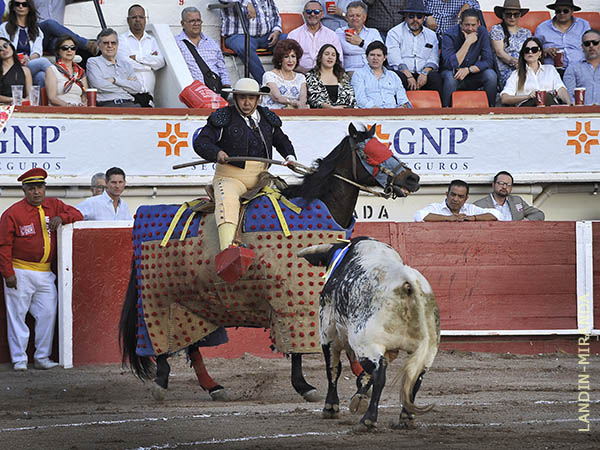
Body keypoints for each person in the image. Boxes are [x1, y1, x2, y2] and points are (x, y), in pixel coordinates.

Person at [193, 78, 296, 277]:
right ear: (235, 98)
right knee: (228, 200)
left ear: (258, 100)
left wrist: (289, 156)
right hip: (231, 177)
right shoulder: (222, 117)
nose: (247, 103)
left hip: (261, 178)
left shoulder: (267, 118)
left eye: (251, 98)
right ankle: (227, 251)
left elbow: (281, 140)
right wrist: (217, 153)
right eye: (242, 98)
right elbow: (201, 142)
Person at [0, 168, 83, 371]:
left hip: (45, 272)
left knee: (47, 313)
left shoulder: (54, 205)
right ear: (24, 190)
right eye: (31, 189)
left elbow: (78, 213)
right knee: (17, 316)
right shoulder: (12, 213)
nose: (36, 192)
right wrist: (8, 273)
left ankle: (42, 357)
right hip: (20, 270)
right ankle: (20, 359)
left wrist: (62, 217)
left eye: (40, 187)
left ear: (45, 188)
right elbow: (3, 245)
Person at [440, 8, 497, 107]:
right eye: (467, 25)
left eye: (473, 25)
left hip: (472, 72)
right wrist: (467, 43)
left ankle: (491, 109)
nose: (470, 28)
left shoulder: (482, 32)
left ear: (478, 24)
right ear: (460, 23)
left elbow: (488, 61)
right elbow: (451, 64)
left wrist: (468, 70)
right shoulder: (449, 35)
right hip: (453, 73)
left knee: (490, 75)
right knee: (450, 78)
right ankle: (446, 109)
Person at [219, 0, 286, 83]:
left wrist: (276, 30)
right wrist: (246, 3)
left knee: (288, 42)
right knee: (244, 46)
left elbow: (275, 16)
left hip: (266, 36)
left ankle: (285, 80)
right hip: (239, 36)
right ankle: (266, 84)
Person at [386, 0, 442, 95]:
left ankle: (437, 108)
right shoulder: (394, 33)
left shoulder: (431, 35)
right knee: (397, 77)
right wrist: (409, 76)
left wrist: (424, 73)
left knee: (435, 78)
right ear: (406, 17)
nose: (415, 20)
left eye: (419, 17)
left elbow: (433, 59)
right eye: (411, 16)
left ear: (424, 18)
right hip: (403, 72)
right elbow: (394, 59)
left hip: (423, 72)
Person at [500, 37, 570, 106]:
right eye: (527, 50)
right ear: (523, 54)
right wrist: (528, 96)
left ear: (540, 53)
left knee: (547, 97)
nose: (530, 52)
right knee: (545, 97)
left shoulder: (550, 69)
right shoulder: (516, 74)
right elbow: (505, 98)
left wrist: (569, 104)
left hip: (549, 107)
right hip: (527, 109)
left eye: (534, 49)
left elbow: (561, 89)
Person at [118, 4, 165, 105]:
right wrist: (149, 66)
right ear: (128, 20)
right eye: (134, 17)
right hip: (130, 97)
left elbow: (161, 62)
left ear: (145, 20)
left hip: (149, 98)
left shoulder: (151, 40)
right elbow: (125, 63)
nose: (138, 20)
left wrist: (137, 58)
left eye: (141, 17)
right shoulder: (122, 40)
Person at [175, 7, 230, 91]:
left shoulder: (211, 43)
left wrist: (226, 87)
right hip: (192, 93)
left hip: (214, 92)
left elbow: (221, 68)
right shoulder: (176, 43)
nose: (196, 24)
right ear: (183, 23)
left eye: (198, 20)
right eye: (192, 21)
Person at [86, 28, 143, 108]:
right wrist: (126, 87)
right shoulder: (93, 62)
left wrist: (115, 80)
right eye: (106, 43)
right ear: (99, 45)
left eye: (113, 43)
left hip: (129, 105)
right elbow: (98, 85)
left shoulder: (126, 65)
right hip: (107, 105)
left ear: (117, 44)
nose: (110, 46)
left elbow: (137, 88)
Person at [0, 0, 51, 87]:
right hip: (11, 65)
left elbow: (37, 51)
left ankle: (37, 100)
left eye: (24, 4)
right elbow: (2, 48)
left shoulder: (36, 30)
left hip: (29, 64)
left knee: (41, 76)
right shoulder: (4, 27)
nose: (21, 6)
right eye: (17, 4)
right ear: (13, 7)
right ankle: (62, 80)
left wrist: (28, 58)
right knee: (44, 61)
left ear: (29, 8)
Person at [534, 0, 590, 72]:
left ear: (572, 11)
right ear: (554, 11)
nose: (562, 13)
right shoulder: (542, 28)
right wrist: (544, 50)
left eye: (565, 11)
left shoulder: (583, 25)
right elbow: (533, 49)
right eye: (558, 11)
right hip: (552, 71)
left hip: (580, 68)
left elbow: (592, 45)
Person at [287, 1, 344, 73]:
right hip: (300, 74)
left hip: (325, 75)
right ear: (304, 14)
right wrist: (306, 72)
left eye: (316, 12)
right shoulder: (293, 35)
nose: (312, 14)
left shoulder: (332, 35)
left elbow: (339, 60)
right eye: (308, 11)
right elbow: (287, 60)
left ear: (322, 14)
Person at [351, 40, 411, 108]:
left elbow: (403, 99)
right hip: (370, 114)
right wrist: (378, 111)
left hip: (393, 113)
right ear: (366, 57)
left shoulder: (393, 75)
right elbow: (360, 100)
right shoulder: (359, 74)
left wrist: (402, 107)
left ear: (384, 57)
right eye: (372, 55)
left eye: (379, 55)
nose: (375, 58)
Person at [489, 0, 531, 91]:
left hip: (525, 66)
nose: (512, 17)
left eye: (516, 14)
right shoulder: (497, 29)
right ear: (503, 15)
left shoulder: (526, 32)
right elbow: (499, 53)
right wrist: (517, 63)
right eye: (508, 14)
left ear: (520, 16)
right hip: (505, 69)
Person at [414, 179, 499, 222]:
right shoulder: (436, 208)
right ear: (447, 194)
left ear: (466, 199)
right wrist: (448, 218)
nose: (455, 199)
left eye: (460, 196)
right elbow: (418, 216)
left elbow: (498, 214)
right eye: (453, 195)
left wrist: (473, 217)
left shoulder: (471, 209)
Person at [33, 0, 98, 55]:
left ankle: (63, 69)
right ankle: (87, 44)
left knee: (62, 45)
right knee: (49, 23)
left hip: (55, 36)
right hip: (37, 36)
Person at [473, 171, 545, 221]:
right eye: (501, 183)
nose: (504, 187)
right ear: (493, 184)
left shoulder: (517, 201)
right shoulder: (480, 205)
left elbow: (539, 214)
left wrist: (526, 222)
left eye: (508, 185)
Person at [335, 1, 383, 73]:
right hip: (350, 71)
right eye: (351, 16)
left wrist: (361, 42)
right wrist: (369, 49)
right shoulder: (339, 32)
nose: (354, 18)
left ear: (364, 17)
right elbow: (347, 50)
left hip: (372, 70)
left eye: (358, 15)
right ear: (347, 17)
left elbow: (381, 51)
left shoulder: (373, 32)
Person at [306, 43, 356, 108]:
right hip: (321, 115)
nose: (330, 57)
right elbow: (314, 99)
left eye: (333, 55)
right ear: (320, 57)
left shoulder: (343, 76)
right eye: (327, 54)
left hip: (344, 114)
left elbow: (351, 98)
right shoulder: (311, 75)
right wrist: (331, 108)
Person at [262, 39, 308, 109]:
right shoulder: (269, 75)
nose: (290, 60)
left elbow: (303, 100)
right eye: (286, 56)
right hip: (272, 114)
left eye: (293, 56)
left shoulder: (301, 77)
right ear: (280, 59)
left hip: (294, 116)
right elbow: (277, 97)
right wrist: (294, 102)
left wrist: (300, 104)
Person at [45, 35, 88, 106]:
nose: (69, 50)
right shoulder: (52, 70)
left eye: (73, 48)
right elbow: (52, 98)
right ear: (58, 51)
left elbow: (85, 97)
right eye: (65, 48)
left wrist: (82, 106)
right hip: (59, 110)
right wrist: (67, 106)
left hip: (78, 110)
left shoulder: (80, 72)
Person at [563, 29, 600, 105]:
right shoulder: (573, 68)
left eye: (595, 43)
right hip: (582, 114)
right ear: (582, 47)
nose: (591, 46)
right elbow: (569, 95)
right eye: (587, 43)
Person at [0, 36, 32, 104]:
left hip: (21, 107)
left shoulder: (25, 70)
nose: (4, 50)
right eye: (0, 49)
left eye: (5, 45)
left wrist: (23, 101)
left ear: (11, 46)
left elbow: (30, 95)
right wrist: (11, 99)